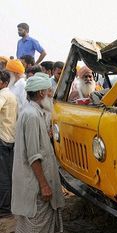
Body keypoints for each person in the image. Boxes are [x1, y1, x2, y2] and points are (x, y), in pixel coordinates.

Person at [12, 73, 64, 233]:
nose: (51, 94)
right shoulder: (32, 116)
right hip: (35, 187)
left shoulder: (31, 112)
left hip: (31, 184)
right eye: (49, 91)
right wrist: (44, 185)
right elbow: (34, 156)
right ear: (41, 93)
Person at [0, 70, 17, 218]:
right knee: (8, 174)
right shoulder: (11, 94)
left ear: (4, 82)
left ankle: (5, 209)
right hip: (10, 138)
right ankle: (9, 205)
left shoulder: (2, 95)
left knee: (3, 176)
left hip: (2, 139)